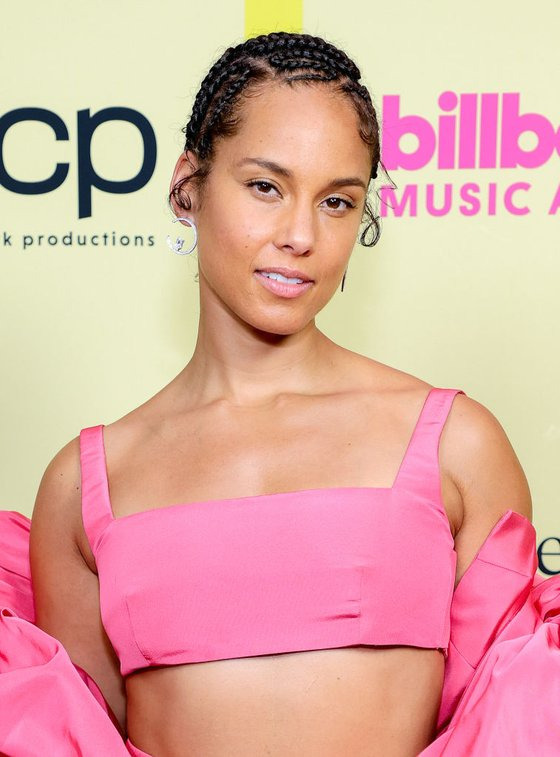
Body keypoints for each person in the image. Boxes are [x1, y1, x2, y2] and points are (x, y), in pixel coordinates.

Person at [0, 31, 558, 757]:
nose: (302, 234)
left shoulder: (459, 443)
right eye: (266, 186)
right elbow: (77, 737)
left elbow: (511, 719)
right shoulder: (82, 483)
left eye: (336, 201)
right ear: (187, 187)